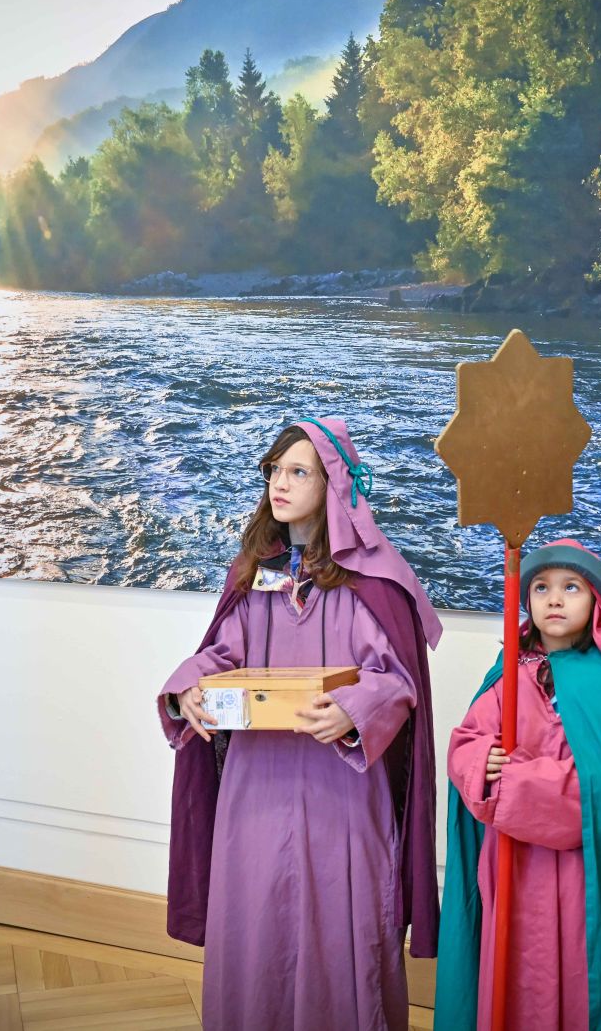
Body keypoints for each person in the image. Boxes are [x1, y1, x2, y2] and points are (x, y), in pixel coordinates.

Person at [160, 417, 441, 1031]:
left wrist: (354, 708)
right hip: (255, 787)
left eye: (297, 471)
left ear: (335, 483)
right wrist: (187, 687)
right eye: (273, 471)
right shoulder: (254, 576)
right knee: (256, 919)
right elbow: (221, 654)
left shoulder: (377, 582)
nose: (279, 485)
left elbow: (396, 681)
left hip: (342, 791)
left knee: (346, 922)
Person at [438, 540, 601, 1031]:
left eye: (571, 587)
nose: (554, 599)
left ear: (597, 603)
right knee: (514, 976)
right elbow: (466, 745)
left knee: (578, 980)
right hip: (513, 868)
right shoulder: (508, 675)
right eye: (540, 588)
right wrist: (481, 761)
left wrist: (516, 783)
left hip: (584, 874)